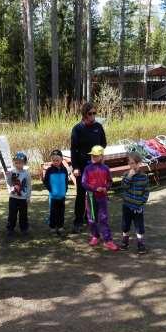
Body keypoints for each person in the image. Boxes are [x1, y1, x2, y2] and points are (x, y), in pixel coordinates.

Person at [70, 102, 107, 233]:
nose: (93, 116)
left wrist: (99, 156)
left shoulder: (98, 127)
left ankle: (90, 217)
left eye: (94, 113)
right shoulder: (77, 129)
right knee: (81, 194)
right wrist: (75, 167)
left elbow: (103, 143)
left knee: (94, 193)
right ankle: (78, 221)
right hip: (82, 167)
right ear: (84, 114)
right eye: (90, 113)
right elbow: (73, 150)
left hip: (95, 166)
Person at [82, 146, 118, 251]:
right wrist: (94, 188)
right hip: (91, 198)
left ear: (101, 156)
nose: (93, 157)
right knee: (91, 219)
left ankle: (108, 240)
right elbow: (83, 183)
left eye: (96, 155)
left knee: (103, 219)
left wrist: (105, 188)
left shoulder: (105, 168)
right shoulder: (87, 168)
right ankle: (95, 236)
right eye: (92, 155)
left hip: (102, 198)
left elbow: (110, 181)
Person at [120, 152, 149, 254]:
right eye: (130, 163)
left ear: (139, 163)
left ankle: (140, 244)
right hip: (127, 206)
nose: (132, 166)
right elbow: (123, 187)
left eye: (134, 163)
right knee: (125, 225)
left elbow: (146, 192)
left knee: (139, 226)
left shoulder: (144, 177)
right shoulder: (126, 175)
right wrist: (129, 177)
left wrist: (141, 203)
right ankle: (125, 241)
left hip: (138, 207)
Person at [43, 149, 69, 236]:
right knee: (53, 212)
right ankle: (53, 227)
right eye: (53, 160)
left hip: (62, 196)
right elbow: (45, 181)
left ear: (61, 159)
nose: (55, 162)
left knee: (61, 212)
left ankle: (60, 226)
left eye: (57, 160)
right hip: (53, 196)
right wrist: (51, 189)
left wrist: (65, 190)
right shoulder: (49, 170)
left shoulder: (64, 169)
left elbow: (66, 181)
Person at [5, 152, 31, 236]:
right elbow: (9, 183)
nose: (17, 164)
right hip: (13, 197)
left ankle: (24, 229)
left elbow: (29, 185)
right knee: (12, 214)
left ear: (24, 163)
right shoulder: (12, 172)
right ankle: (10, 228)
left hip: (23, 198)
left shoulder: (26, 173)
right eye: (16, 162)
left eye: (20, 162)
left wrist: (28, 196)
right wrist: (8, 176)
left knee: (23, 214)